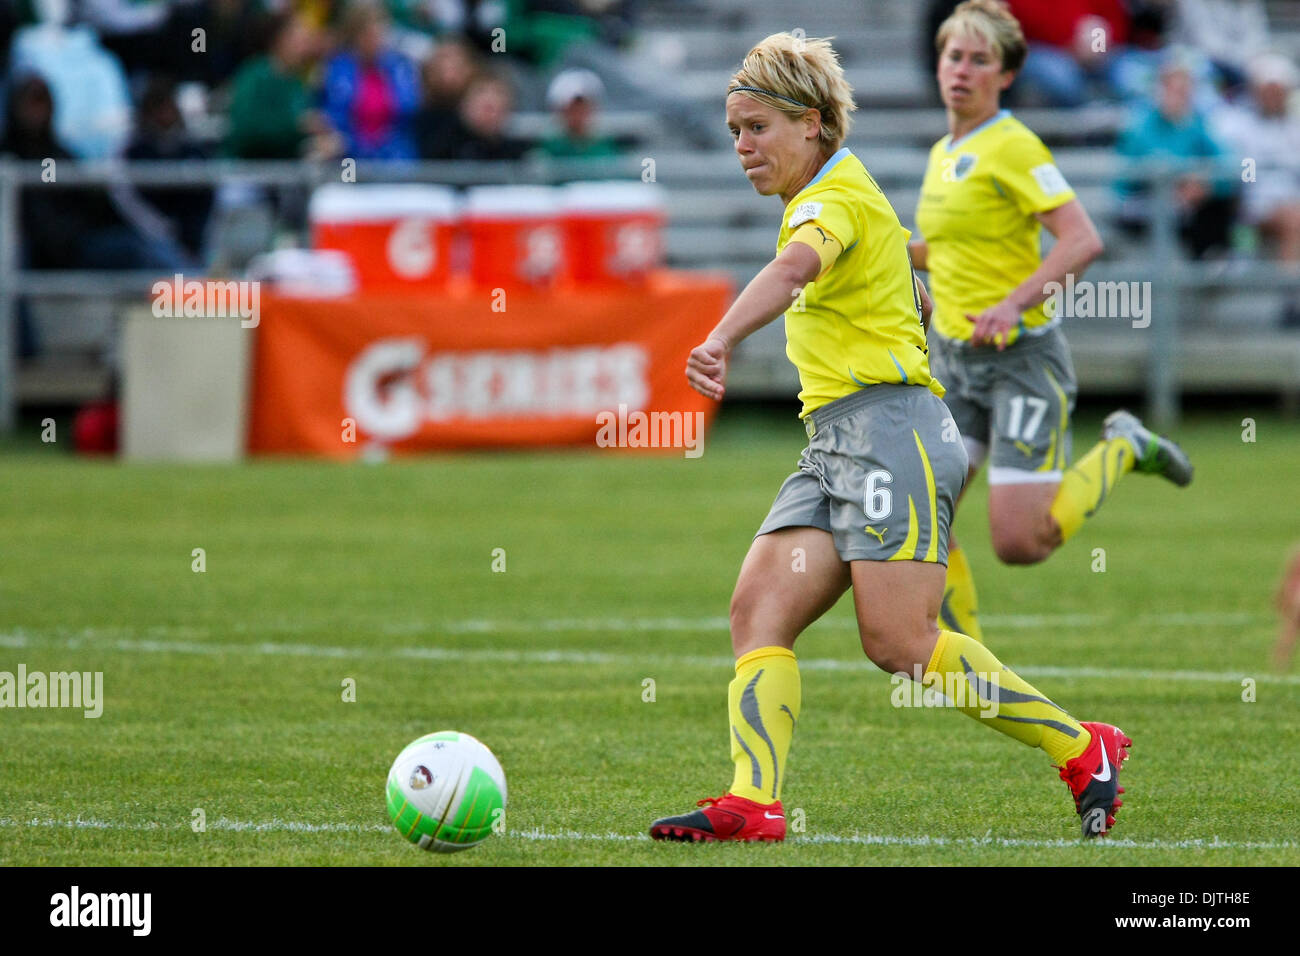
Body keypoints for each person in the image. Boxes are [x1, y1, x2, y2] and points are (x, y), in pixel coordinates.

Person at [649, 31, 1131, 844]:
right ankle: (755, 801)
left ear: (811, 124)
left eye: (757, 128)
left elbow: (797, 269)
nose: (741, 147)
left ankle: (1084, 749)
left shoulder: (827, 200)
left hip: (888, 436)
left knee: (901, 642)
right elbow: (898, 285)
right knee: (756, 611)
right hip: (837, 441)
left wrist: (721, 337)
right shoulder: (839, 193)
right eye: (734, 130)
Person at [911, 1, 1195, 656]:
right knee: (922, 511)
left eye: (980, 60)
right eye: (955, 55)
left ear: (1005, 75)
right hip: (954, 362)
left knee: (1020, 543)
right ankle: (971, 668)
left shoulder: (1012, 145)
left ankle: (1123, 447)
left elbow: (1081, 241)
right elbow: (948, 248)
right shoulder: (943, 152)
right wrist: (889, 247)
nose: (962, 70)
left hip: (1019, 359)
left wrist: (1012, 304)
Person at [1115, 52, 1238, 259]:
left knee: (1218, 203)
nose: (1179, 95)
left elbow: (1227, 163)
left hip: (1186, 202)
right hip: (1141, 201)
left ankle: (1212, 265)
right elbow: (1129, 177)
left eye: (1185, 90)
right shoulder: (1139, 125)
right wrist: (1181, 179)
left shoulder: (1197, 123)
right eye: (1173, 89)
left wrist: (1205, 183)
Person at [536, 67, 620, 159]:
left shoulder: (609, 148)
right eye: (573, 108)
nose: (579, 114)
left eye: (584, 107)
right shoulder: (547, 151)